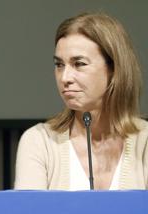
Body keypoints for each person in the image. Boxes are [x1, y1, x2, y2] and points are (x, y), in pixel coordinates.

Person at [15, 13, 148, 190]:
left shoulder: (144, 141)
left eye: (79, 64)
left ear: (115, 69)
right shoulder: (40, 141)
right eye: (59, 65)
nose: (65, 77)